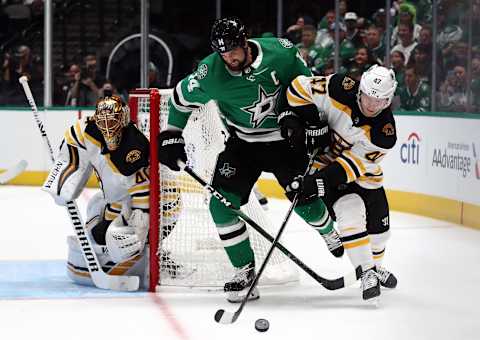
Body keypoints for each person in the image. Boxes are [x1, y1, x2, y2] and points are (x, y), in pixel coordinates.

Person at [156, 17, 344, 303]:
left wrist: (312, 120)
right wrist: (172, 134)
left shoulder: (281, 52)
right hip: (243, 145)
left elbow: (309, 87)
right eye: (223, 52)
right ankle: (243, 269)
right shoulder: (209, 72)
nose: (229, 57)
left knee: (303, 200)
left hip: (286, 139)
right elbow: (181, 100)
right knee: (220, 206)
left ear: (245, 42)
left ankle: (328, 229)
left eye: (233, 50)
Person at [285, 65, 399, 302]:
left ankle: (376, 268)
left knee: (380, 233)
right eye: (368, 97)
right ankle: (366, 271)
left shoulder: (384, 134)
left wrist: (317, 183)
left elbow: (351, 166)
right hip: (326, 165)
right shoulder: (338, 87)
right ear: (360, 89)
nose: (371, 105)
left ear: (388, 100)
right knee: (350, 212)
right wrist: (309, 121)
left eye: (379, 102)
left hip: (363, 176)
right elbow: (296, 89)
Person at [42, 96, 182, 287]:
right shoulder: (85, 131)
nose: (108, 129)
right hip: (124, 200)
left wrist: (137, 233)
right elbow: (72, 153)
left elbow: (143, 197)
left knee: (119, 241)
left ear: (124, 120)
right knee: (96, 207)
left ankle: (152, 258)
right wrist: (61, 183)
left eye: (113, 122)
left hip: (162, 206)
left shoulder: (135, 147)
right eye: (103, 122)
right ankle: (140, 253)